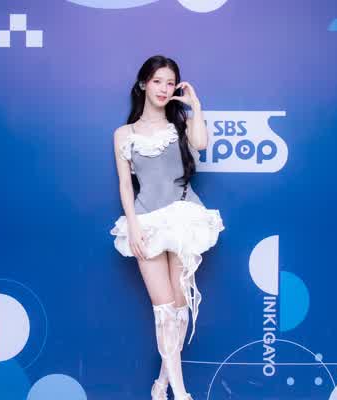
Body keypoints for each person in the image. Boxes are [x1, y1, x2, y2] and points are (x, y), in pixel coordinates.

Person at [110, 55, 224, 400]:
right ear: (143, 83)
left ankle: (161, 387)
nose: (163, 88)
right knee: (163, 310)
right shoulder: (124, 134)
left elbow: (201, 144)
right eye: (157, 81)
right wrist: (132, 226)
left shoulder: (179, 124)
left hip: (183, 217)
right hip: (146, 221)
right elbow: (125, 185)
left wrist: (195, 106)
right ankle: (181, 394)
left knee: (179, 306)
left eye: (170, 82)